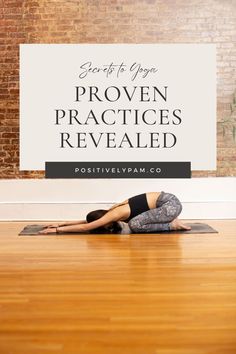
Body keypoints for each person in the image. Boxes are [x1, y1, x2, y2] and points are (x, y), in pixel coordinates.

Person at [39, 191, 191, 235]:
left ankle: (172, 225)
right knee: (135, 222)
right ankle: (170, 221)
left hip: (170, 206)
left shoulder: (114, 214)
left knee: (135, 225)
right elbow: (89, 223)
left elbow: (87, 227)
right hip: (169, 203)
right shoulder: (111, 212)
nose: (107, 227)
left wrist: (57, 230)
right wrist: (61, 223)